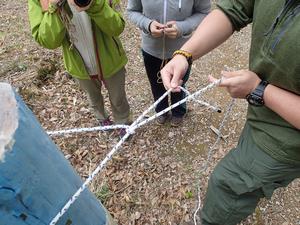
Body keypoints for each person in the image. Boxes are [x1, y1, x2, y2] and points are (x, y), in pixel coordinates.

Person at [160, 0, 300, 224]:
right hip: (262, 106)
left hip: (287, 138)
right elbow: (236, 8)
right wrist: (184, 54)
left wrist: (259, 90)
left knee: (228, 184)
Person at [28, 0, 131, 137]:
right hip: (78, 65)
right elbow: (48, 41)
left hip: (111, 58)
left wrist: (94, 5)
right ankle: (102, 118)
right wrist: (55, 7)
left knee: (118, 97)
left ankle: (123, 122)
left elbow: (117, 27)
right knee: (93, 98)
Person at [127, 0, 211, 126]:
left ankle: (179, 111)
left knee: (179, 84)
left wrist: (182, 27)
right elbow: (132, 11)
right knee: (156, 84)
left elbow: (204, 12)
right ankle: (161, 110)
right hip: (151, 50)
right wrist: (148, 25)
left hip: (183, 51)